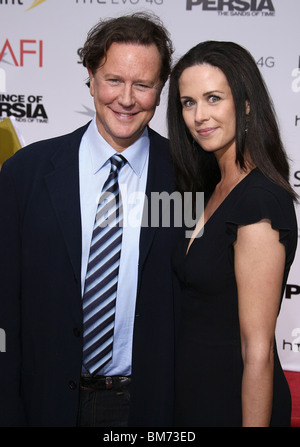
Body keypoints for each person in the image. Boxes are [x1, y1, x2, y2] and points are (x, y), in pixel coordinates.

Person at [0, 13, 178, 427]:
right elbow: (5, 306)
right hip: (42, 401)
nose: (127, 99)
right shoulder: (26, 173)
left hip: (145, 406)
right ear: (91, 77)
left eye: (143, 84)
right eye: (114, 80)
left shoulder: (185, 177)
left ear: (161, 88)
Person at [167, 40, 298, 427]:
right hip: (191, 397)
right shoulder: (208, 187)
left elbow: (256, 350)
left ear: (245, 103)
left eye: (212, 98)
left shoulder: (259, 201)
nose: (199, 116)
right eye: (188, 103)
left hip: (233, 405)